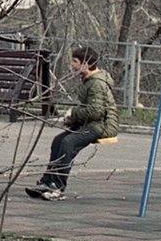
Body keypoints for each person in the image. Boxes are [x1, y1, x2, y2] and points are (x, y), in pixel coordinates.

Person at [27, 46, 113, 198]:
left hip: (99, 126)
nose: (72, 65)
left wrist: (72, 115)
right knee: (58, 141)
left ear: (85, 64)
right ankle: (47, 181)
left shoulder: (96, 83)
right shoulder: (89, 80)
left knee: (68, 143)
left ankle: (58, 187)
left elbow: (95, 112)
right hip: (89, 123)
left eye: (75, 61)